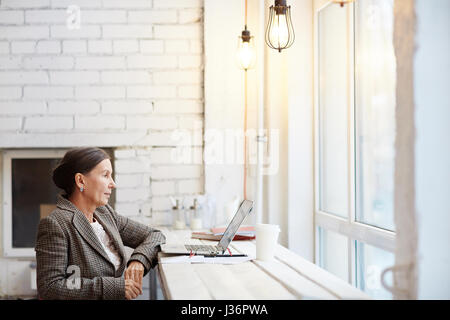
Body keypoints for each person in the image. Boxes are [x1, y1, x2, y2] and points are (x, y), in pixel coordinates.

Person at [35, 147, 166, 300]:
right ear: (80, 180)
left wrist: (139, 260)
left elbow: (154, 235)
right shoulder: (56, 224)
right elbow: (50, 287)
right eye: (105, 175)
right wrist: (114, 288)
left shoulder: (105, 213)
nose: (113, 183)